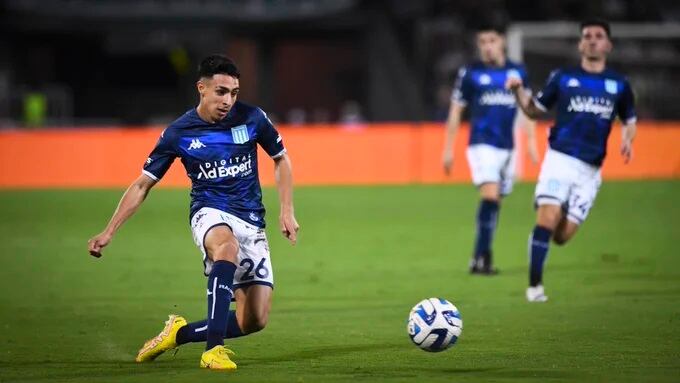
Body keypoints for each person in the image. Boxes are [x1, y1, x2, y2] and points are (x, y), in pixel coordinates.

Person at [87, 55, 299, 370]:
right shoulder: (179, 132)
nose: (228, 100)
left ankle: (178, 333)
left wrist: (287, 210)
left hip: (251, 219)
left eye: (234, 92)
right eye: (221, 91)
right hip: (209, 211)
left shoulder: (253, 119)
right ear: (201, 88)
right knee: (226, 248)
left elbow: (281, 159)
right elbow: (143, 184)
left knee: (254, 320)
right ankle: (213, 350)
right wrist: (109, 230)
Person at [506, 20, 636, 302]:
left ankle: (558, 204)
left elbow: (629, 118)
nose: (591, 40)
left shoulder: (619, 85)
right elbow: (532, 111)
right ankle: (535, 287)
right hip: (560, 160)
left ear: (608, 45)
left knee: (562, 237)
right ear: (580, 44)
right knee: (547, 219)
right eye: (587, 36)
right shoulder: (562, 77)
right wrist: (518, 91)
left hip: (590, 171)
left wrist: (628, 137)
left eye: (598, 36)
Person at [442, 23, 538, 274]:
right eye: (482, 42)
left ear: (503, 41)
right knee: (490, 196)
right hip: (481, 144)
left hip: (508, 147)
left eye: (491, 40)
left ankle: (478, 256)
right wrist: (448, 148)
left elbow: (527, 108)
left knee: (494, 204)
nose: (487, 47)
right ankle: (482, 258)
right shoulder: (470, 73)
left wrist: (531, 142)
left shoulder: (517, 72)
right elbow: (456, 109)